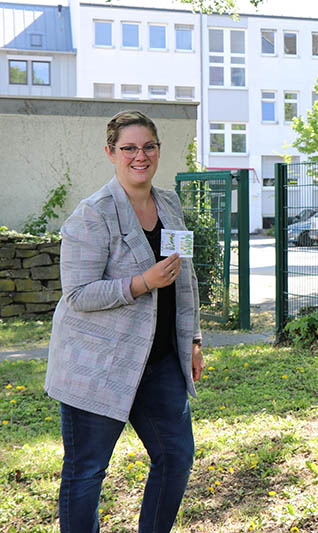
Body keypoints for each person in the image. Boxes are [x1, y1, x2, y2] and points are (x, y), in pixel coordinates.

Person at [45, 110, 205, 532]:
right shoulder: (91, 215)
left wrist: (194, 339)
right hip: (96, 367)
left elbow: (183, 277)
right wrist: (140, 283)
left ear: (157, 150)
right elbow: (77, 295)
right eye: (129, 148)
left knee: (175, 457)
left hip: (158, 362)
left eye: (148, 146)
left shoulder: (168, 202)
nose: (140, 156)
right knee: (86, 473)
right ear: (111, 153)